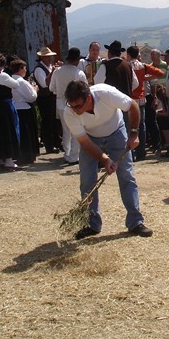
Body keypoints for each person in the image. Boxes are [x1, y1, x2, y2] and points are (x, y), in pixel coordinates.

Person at [62, 80, 153, 239]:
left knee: (126, 176)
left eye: (78, 106)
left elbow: (133, 106)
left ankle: (135, 222)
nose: (75, 110)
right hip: (91, 138)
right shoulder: (69, 112)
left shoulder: (106, 93)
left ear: (88, 98)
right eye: (71, 105)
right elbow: (85, 143)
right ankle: (92, 223)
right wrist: (105, 159)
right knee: (87, 181)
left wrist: (133, 134)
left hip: (116, 132)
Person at [50, 47, 88, 165]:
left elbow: (51, 88)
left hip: (61, 103)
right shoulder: (78, 72)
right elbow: (86, 89)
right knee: (76, 129)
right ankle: (74, 155)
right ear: (77, 60)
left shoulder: (57, 71)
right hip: (76, 104)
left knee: (66, 130)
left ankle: (67, 153)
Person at [126, 45, 164, 161]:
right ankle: (141, 152)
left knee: (129, 127)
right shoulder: (143, 66)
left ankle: (130, 153)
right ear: (138, 55)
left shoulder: (125, 66)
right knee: (141, 126)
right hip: (141, 99)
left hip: (129, 100)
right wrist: (144, 79)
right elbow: (160, 73)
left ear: (128, 54)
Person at [10, 58, 39, 166]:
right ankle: (28, 155)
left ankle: (20, 155)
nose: (26, 70)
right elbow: (31, 97)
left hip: (15, 108)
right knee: (27, 134)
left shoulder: (10, 79)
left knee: (20, 134)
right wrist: (35, 89)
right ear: (20, 69)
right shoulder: (21, 81)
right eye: (24, 68)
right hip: (25, 108)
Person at [33, 46, 60, 154]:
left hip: (51, 97)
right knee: (47, 121)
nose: (50, 59)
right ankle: (49, 145)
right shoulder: (39, 69)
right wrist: (53, 71)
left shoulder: (48, 67)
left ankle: (56, 142)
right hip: (45, 98)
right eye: (48, 57)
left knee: (54, 120)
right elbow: (44, 84)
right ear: (42, 57)